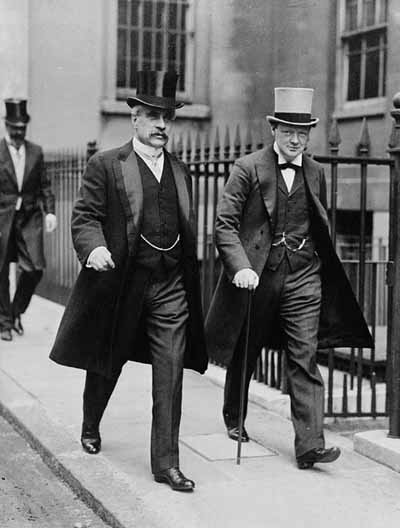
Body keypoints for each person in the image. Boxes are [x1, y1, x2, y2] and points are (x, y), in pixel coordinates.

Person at [50, 71, 208, 492]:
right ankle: (90, 423)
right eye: (153, 116)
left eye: (167, 118)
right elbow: (85, 217)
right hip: (123, 284)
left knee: (171, 371)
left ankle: (166, 464)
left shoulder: (180, 170)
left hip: (171, 285)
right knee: (108, 360)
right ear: (134, 118)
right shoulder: (107, 164)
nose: (161, 125)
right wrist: (95, 248)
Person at [205, 87, 373, 469]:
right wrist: (241, 266)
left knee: (304, 356)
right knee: (246, 352)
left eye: (303, 133)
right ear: (274, 130)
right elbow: (225, 225)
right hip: (259, 275)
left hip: (304, 277)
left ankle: (310, 444)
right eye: (288, 132)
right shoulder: (247, 168)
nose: (296, 140)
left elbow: (318, 222)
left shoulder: (315, 172)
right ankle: (234, 415)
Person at [0, 99, 56, 341]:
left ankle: (14, 312)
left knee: (35, 269)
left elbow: (45, 185)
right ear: (6, 126)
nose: (19, 132)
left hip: (30, 219)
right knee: (1, 271)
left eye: (22, 127)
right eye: (14, 127)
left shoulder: (36, 151)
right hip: (3, 219)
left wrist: (50, 211)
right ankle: (3, 323)